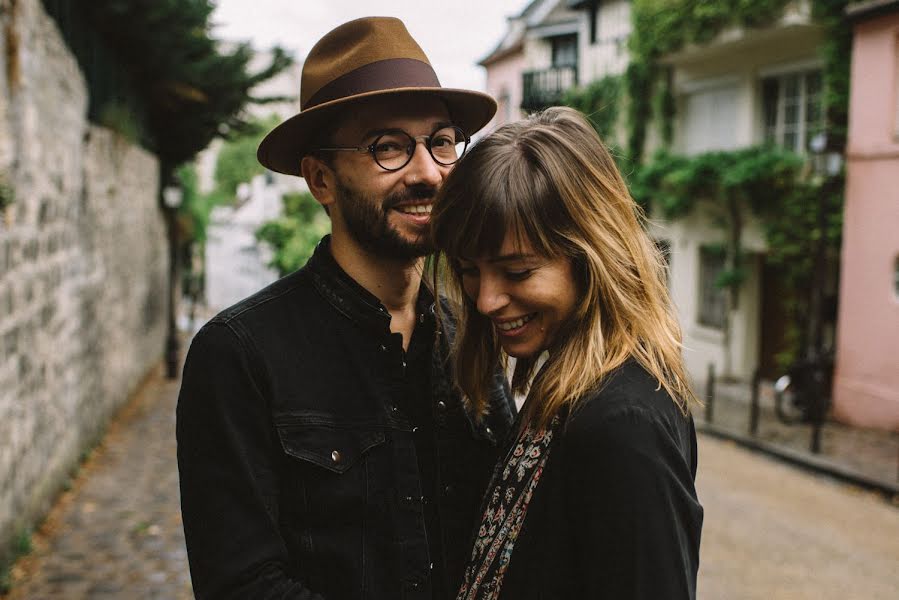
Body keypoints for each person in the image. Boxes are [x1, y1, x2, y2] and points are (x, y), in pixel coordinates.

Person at [176, 17, 515, 600]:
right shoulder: (240, 355)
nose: (428, 172)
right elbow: (242, 584)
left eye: (440, 141)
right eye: (388, 147)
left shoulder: (473, 334)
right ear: (320, 179)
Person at [429, 106, 704, 599]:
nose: (486, 299)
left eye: (517, 272)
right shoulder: (574, 384)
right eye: (469, 268)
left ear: (591, 257)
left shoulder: (623, 422)